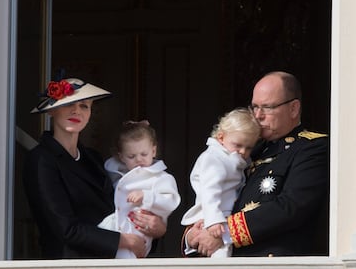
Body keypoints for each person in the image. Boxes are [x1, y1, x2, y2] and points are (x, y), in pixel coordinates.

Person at [183, 71, 329, 257]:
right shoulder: (247, 150)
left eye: (267, 107)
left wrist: (224, 233)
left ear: (293, 108)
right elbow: (214, 195)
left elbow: (292, 207)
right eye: (254, 107)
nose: (258, 116)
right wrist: (194, 235)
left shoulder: (312, 148)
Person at [23, 78, 167, 259]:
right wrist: (124, 241)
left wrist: (155, 228)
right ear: (52, 110)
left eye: (84, 106)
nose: (76, 110)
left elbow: (120, 210)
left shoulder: (94, 159)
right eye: (69, 104)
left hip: (113, 261)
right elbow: (64, 229)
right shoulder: (41, 159)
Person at [181, 108, 261, 258]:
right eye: (238, 145)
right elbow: (210, 191)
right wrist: (213, 220)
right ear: (221, 137)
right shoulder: (214, 158)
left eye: (249, 147)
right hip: (212, 215)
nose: (243, 151)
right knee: (220, 255)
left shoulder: (232, 157)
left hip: (224, 216)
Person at [98, 120, 181, 258]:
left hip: (140, 228)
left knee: (127, 259)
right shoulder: (117, 172)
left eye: (144, 154)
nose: (139, 160)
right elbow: (110, 164)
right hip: (114, 225)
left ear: (153, 151)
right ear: (121, 157)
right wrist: (130, 129)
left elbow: (171, 201)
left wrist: (146, 196)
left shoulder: (160, 177)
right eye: (131, 156)